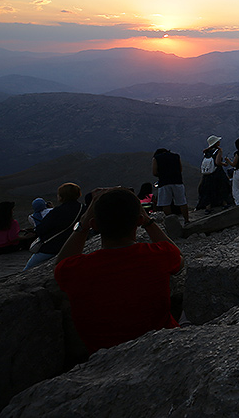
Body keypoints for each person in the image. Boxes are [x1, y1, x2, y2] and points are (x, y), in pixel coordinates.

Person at [53, 187, 182, 354]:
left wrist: (83, 224)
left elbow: (60, 265)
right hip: (161, 346)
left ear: (95, 224)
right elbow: (179, 260)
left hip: (104, 356)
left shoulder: (76, 269)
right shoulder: (160, 255)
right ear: (139, 220)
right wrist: (148, 221)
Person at [24, 182, 84, 270]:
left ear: (62, 196)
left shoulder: (57, 211)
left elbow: (42, 229)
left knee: (28, 268)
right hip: (74, 245)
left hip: (52, 247)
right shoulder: (83, 208)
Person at [153, 148, 190, 224]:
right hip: (177, 181)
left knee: (165, 203)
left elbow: (154, 172)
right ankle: (186, 220)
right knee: (182, 202)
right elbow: (180, 169)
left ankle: (172, 222)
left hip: (164, 183)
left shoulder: (156, 158)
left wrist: (161, 174)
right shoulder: (176, 156)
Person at [196, 135, 232, 210]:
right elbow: (217, 162)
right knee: (222, 187)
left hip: (208, 174)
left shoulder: (206, 152)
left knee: (208, 190)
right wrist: (224, 164)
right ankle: (224, 203)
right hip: (217, 172)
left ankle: (208, 207)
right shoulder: (218, 151)